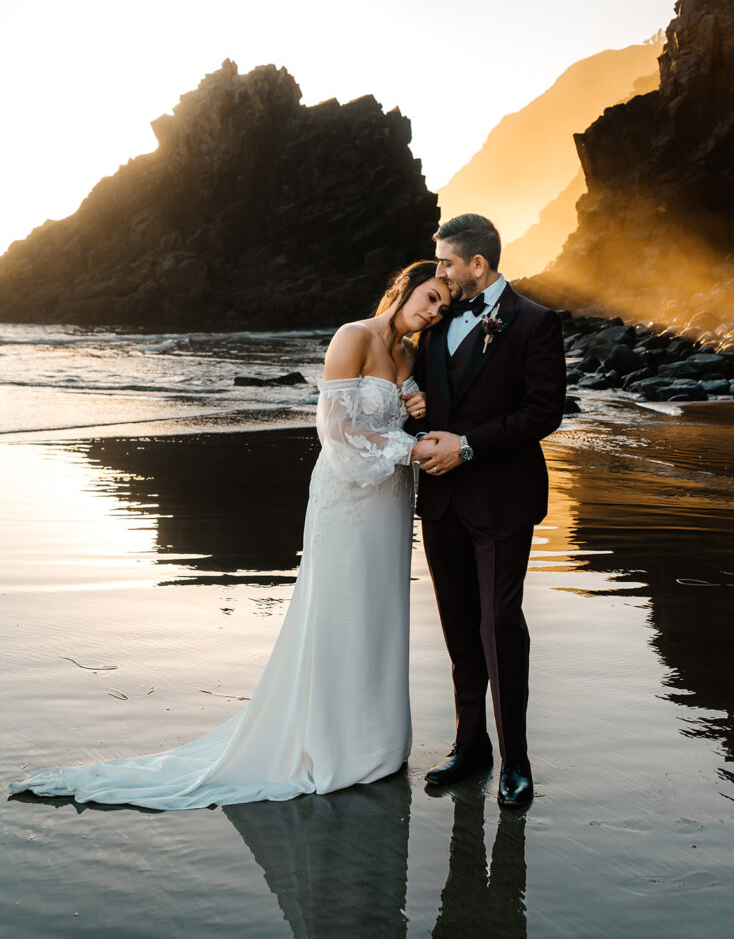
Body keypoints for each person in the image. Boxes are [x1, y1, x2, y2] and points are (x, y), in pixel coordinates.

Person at [10, 261, 450, 810]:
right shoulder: (352, 337)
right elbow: (334, 431)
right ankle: (333, 744)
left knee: (380, 607)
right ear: (406, 288)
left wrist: (416, 413)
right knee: (339, 606)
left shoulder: (410, 356)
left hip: (390, 499)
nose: (432, 311)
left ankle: (375, 741)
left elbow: (392, 422)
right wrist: (408, 447)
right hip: (347, 497)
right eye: (429, 296)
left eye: (441, 307)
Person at [411, 213, 566, 808]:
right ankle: (469, 745)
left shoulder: (534, 322)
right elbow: (424, 395)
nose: (439, 274)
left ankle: (516, 761)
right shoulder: (437, 320)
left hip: (501, 497)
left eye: (447, 263)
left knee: (499, 625)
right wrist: (414, 405)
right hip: (443, 501)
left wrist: (468, 446)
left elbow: (543, 412)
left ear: (478, 264)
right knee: (457, 623)